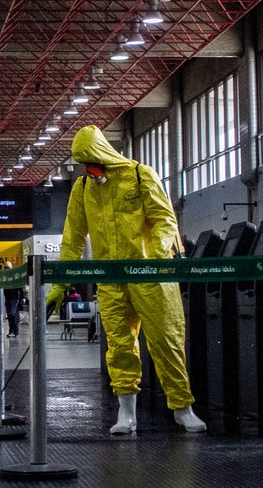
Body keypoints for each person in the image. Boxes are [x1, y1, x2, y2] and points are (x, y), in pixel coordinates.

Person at [47, 125, 206, 435]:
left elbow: (164, 220)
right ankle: (126, 412)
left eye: (90, 160)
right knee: (119, 346)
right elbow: (73, 238)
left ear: (102, 154)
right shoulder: (82, 189)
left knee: (166, 341)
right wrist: (60, 285)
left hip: (151, 276)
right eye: (82, 163)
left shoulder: (140, 175)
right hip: (111, 280)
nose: (88, 169)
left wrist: (157, 256)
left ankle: (182, 407)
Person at [3, 262, 22, 339]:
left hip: (14, 298)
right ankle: (15, 331)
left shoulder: (14, 276)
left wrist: (22, 297)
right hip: (9, 298)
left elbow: (19, 287)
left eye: (7, 267)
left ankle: (12, 331)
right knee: (12, 315)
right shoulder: (5, 276)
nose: (6, 268)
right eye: (5, 267)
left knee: (12, 314)